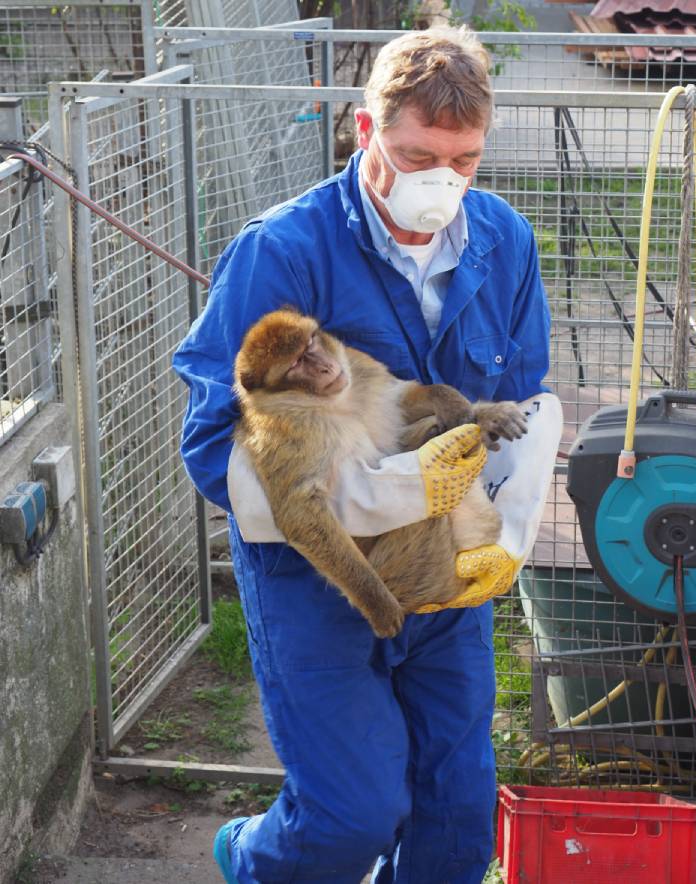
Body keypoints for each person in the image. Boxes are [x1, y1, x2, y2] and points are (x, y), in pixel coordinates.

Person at [173, 26, 557, 884]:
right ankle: (251, 858)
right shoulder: (284, 251)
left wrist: (511, 527)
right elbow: (211, 448)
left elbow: (523, 407)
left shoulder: (503, 242)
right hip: (314, 578)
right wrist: (379, 493)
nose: (441, 182)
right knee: (352, 816)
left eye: (463, 160)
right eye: (418, 154)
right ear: (363, 131)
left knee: (456, 827)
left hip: (447, 572)